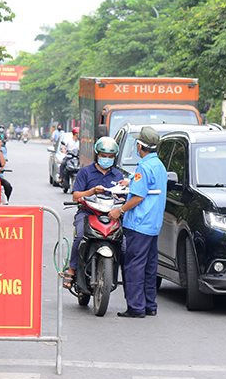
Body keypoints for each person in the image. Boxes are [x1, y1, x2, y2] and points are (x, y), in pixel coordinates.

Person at [109, 126, 167, 318]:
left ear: (140, 145)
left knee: (134, 266)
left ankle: (135, 307)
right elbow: (148, 184)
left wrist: (120, 210)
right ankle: (150, 305)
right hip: (153, 226)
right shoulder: (158, 165)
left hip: (139, 225)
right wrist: (131, 180)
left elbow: (138, 197)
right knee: (150, 267)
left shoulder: (143, 166)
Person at [61, 136, 127, 288]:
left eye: (110, 156)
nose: (107, 159)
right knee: (79, 238)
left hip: (111, 215)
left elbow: (123, 196)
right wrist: (91, 191)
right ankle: (71, 269)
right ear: (97, 155)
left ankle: (125, 276)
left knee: (123, 244)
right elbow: (76, 195)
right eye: (104, 156)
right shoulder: (85, 172)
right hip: (88, 213)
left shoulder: (117, 175)